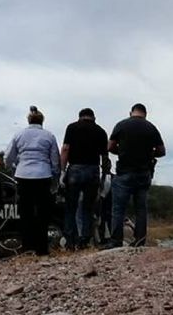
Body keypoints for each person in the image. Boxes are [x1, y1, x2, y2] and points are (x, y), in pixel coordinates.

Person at [106, 103, 165, 248]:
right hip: (144, 173)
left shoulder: (121, 125)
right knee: (141, 208)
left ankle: (116, 241)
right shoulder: (151, 127)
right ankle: (139, 241)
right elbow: (162, 151)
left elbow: (110, 146)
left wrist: (121, 152)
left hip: (124, 172)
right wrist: (150, 153)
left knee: (118, 208)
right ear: (145, 114)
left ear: (131, 112)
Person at [5, 106, 61, 256]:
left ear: (28, 120)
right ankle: (42, 248)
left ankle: (27, 247)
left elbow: (8, 157)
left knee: (25, 213)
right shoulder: (49, 136)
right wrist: (55, 178)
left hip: (23, 176)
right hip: (43, 175)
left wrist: (14, 168)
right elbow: (55, 160)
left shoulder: (19, 135)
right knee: (43, 214)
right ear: (42, 120)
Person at [60, 108, 111, 250]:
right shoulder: (101, 131)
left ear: (80, 117)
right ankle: (84, 240)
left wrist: (62, 171)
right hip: (93, 170)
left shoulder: (72, 127)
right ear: (93, 118)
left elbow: (65, 149)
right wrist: (106, 175)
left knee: (71, 207)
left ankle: (70, 241)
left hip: (75, 169)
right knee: (88, 208)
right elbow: (105, 157)